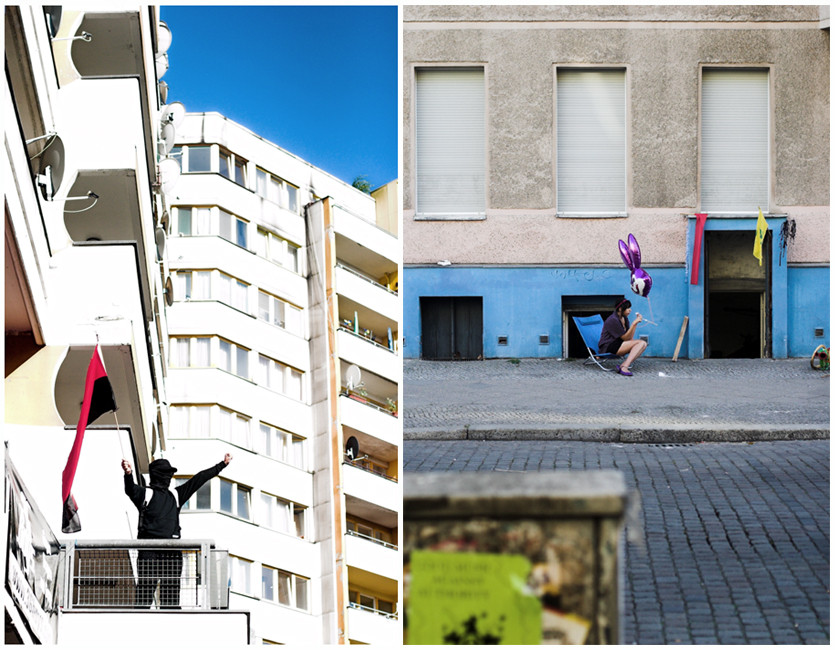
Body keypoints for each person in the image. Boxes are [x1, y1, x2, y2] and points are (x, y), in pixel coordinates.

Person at [122, 454, 231, 608]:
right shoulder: (149, 493)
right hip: (155, 551)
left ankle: (164, 616)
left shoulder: (174, 494)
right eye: (167, 474)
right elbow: (130, 489)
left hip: (165, 551)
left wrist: (221, 465)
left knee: (164, 596)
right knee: (149, 594)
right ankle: (147, 617)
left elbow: (198, 479)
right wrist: (128, 474)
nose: (169, 477)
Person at [598, 297, 647, 376]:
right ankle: (624, 367)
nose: (630, 310)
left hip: (619, 343)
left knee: (643, 344)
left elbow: (629, 337)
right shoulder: (613, 320)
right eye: (627, 308)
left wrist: (635, 324)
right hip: (609, 346)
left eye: (629, 308)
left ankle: (623, 365)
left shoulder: (624, 318)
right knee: (640, 343)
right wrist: (634, 323)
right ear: (620, 309)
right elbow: (625, 338)